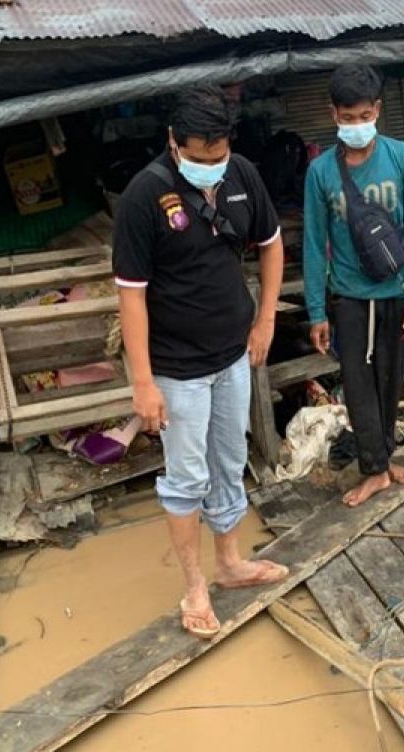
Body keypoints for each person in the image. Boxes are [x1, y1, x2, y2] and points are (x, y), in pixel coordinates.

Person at [113, 86, 288, 639]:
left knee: (231, 459)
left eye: (219, 156)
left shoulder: (242, 176)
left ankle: (231, 563)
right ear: (173, 143)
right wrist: (143, 382)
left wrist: (265, 321)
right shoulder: (144, 197)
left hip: (233, 354)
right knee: (186, 478)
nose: (212, 168)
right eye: (200, 158)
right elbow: (131, 294)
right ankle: (194, 585)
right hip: (176, 369)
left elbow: (272, 243)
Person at [303, 65, 404, 507]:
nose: (356, 125)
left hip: (397, 292)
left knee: (391, 375)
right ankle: (373, 469)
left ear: (377, 110)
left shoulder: (403, 159)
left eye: (364, 115)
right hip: (350, 296)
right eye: (347, 117)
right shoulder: (321, 172)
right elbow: (312, 242)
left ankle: (385, 460)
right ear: (333, 114)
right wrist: (318, 311)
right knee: (357, 382)